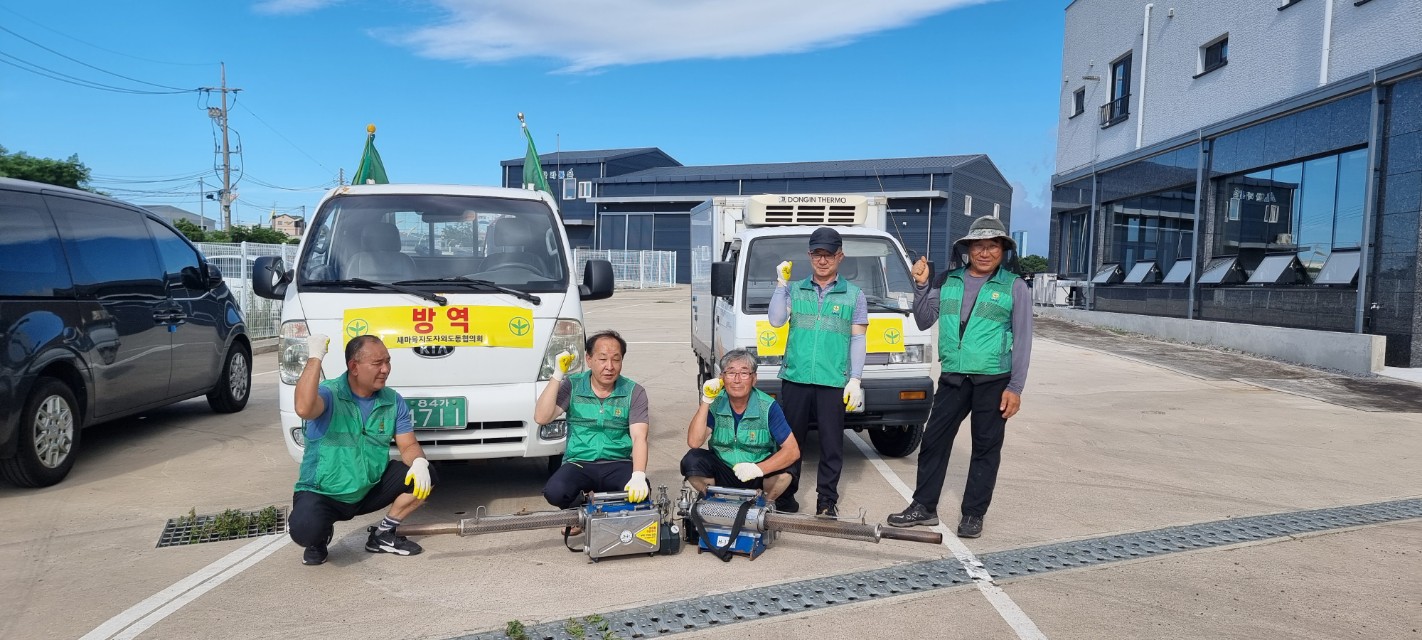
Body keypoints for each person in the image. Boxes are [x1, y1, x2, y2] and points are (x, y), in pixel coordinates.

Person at [887, 216, 1033, 538]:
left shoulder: (1014, 287)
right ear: (967, 249)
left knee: (985, 448)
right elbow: (924, 320)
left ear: (1002, 250)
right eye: (978, 245)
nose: (985, 252)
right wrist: (922, 285)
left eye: (992, 246)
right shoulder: (947, 280)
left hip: (994, 380)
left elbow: (1023, 339)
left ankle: (973, 515)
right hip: (953, 376)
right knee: (934, 442)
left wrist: (1015, 387)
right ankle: (924, 507)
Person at [288, 334, 436, 565]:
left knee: (426, 476)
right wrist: (315, 357)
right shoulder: (330, 394)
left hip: (369, 489)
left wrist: (419, 462)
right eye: (377, 364)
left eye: (388, 361)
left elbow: (408, 445)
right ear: (354, 367)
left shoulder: (392, 400)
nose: (386, 369)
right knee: (306, 530)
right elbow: (304, 407)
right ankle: (319, 538)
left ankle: (384, 534)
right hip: (325, 493)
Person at [768, 227, 869, 517]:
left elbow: (858, 338)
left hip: (832, 381)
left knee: (831, 444)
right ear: (809, 255)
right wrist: (780, 284)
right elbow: (776, 320)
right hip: (796, 378)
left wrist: (855, 378)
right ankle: (786, 496)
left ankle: (827, 501)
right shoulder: (794, 289)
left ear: (840, 256)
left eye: (828, 255)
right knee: (790, 442)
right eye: (816, 254)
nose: (822, 260)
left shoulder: (853, 295)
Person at [534, 330, 651, 528]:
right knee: (555, 491)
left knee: (641, 494)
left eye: (616, 359)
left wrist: (639, 475)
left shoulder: (634, 391)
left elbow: (640, 437)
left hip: (618, 462)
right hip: (579, 462)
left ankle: (609, 512)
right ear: (589, 359)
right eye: (602, 359)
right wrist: (557, 375)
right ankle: (579, 512)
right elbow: (542, 417)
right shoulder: (573, 385)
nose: (609, 367)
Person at [681, 349, 800, 501]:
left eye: (744, 373)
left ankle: (764, 506)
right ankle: (715, 501)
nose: (737, 380)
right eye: (730, 373)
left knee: (788, 468)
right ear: (722, 378)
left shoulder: (768, 406)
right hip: (724, 470)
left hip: (757, 474)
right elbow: (694, 442)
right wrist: (706, 400)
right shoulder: (716, 402)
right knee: (692, 460)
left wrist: (757, 469)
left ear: (754, 379)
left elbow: (792, 451)